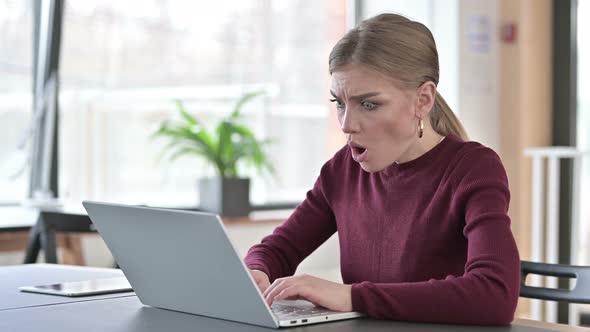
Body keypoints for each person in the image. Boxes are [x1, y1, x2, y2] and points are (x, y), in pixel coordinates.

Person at [244, 13, 520, 325]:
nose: (348, 124)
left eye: (369, 104)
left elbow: (495, 295)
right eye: (339, 103)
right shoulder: (342, 170)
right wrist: (256, 273)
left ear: (423, 99)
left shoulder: (473, 169)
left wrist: (351, 296)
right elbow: (276, 250)